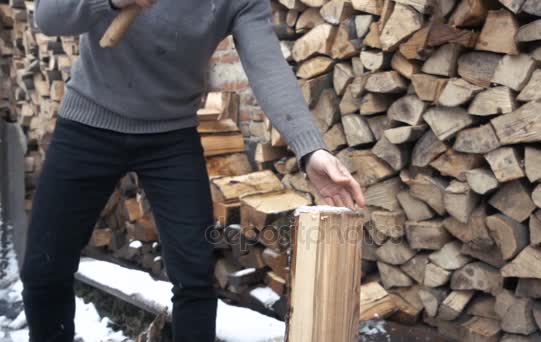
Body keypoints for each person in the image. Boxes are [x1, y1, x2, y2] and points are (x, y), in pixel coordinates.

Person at [20, 0, 365, 341]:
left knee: (196, 277)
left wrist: (310, 149)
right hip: (87, 125)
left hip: (170, 139)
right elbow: (49, 17)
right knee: (44, 269)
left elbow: (268, 68)